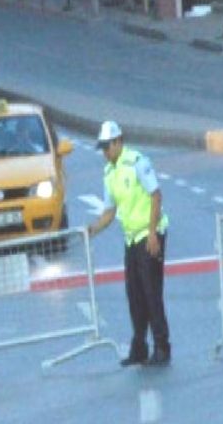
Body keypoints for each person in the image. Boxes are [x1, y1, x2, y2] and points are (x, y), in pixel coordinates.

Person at [86, 121, 171, 367]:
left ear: (118, 142)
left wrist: (153, 233)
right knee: (134, 294)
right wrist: (92, 230)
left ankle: (162, 346)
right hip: (131, 237)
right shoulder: (109, 173)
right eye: (102, 148)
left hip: (149, 233)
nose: (104, 152)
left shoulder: (137, 163)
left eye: (107, 147)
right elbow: (109, 212)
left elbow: (156, 196)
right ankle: (140, 348)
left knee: (151, 292)